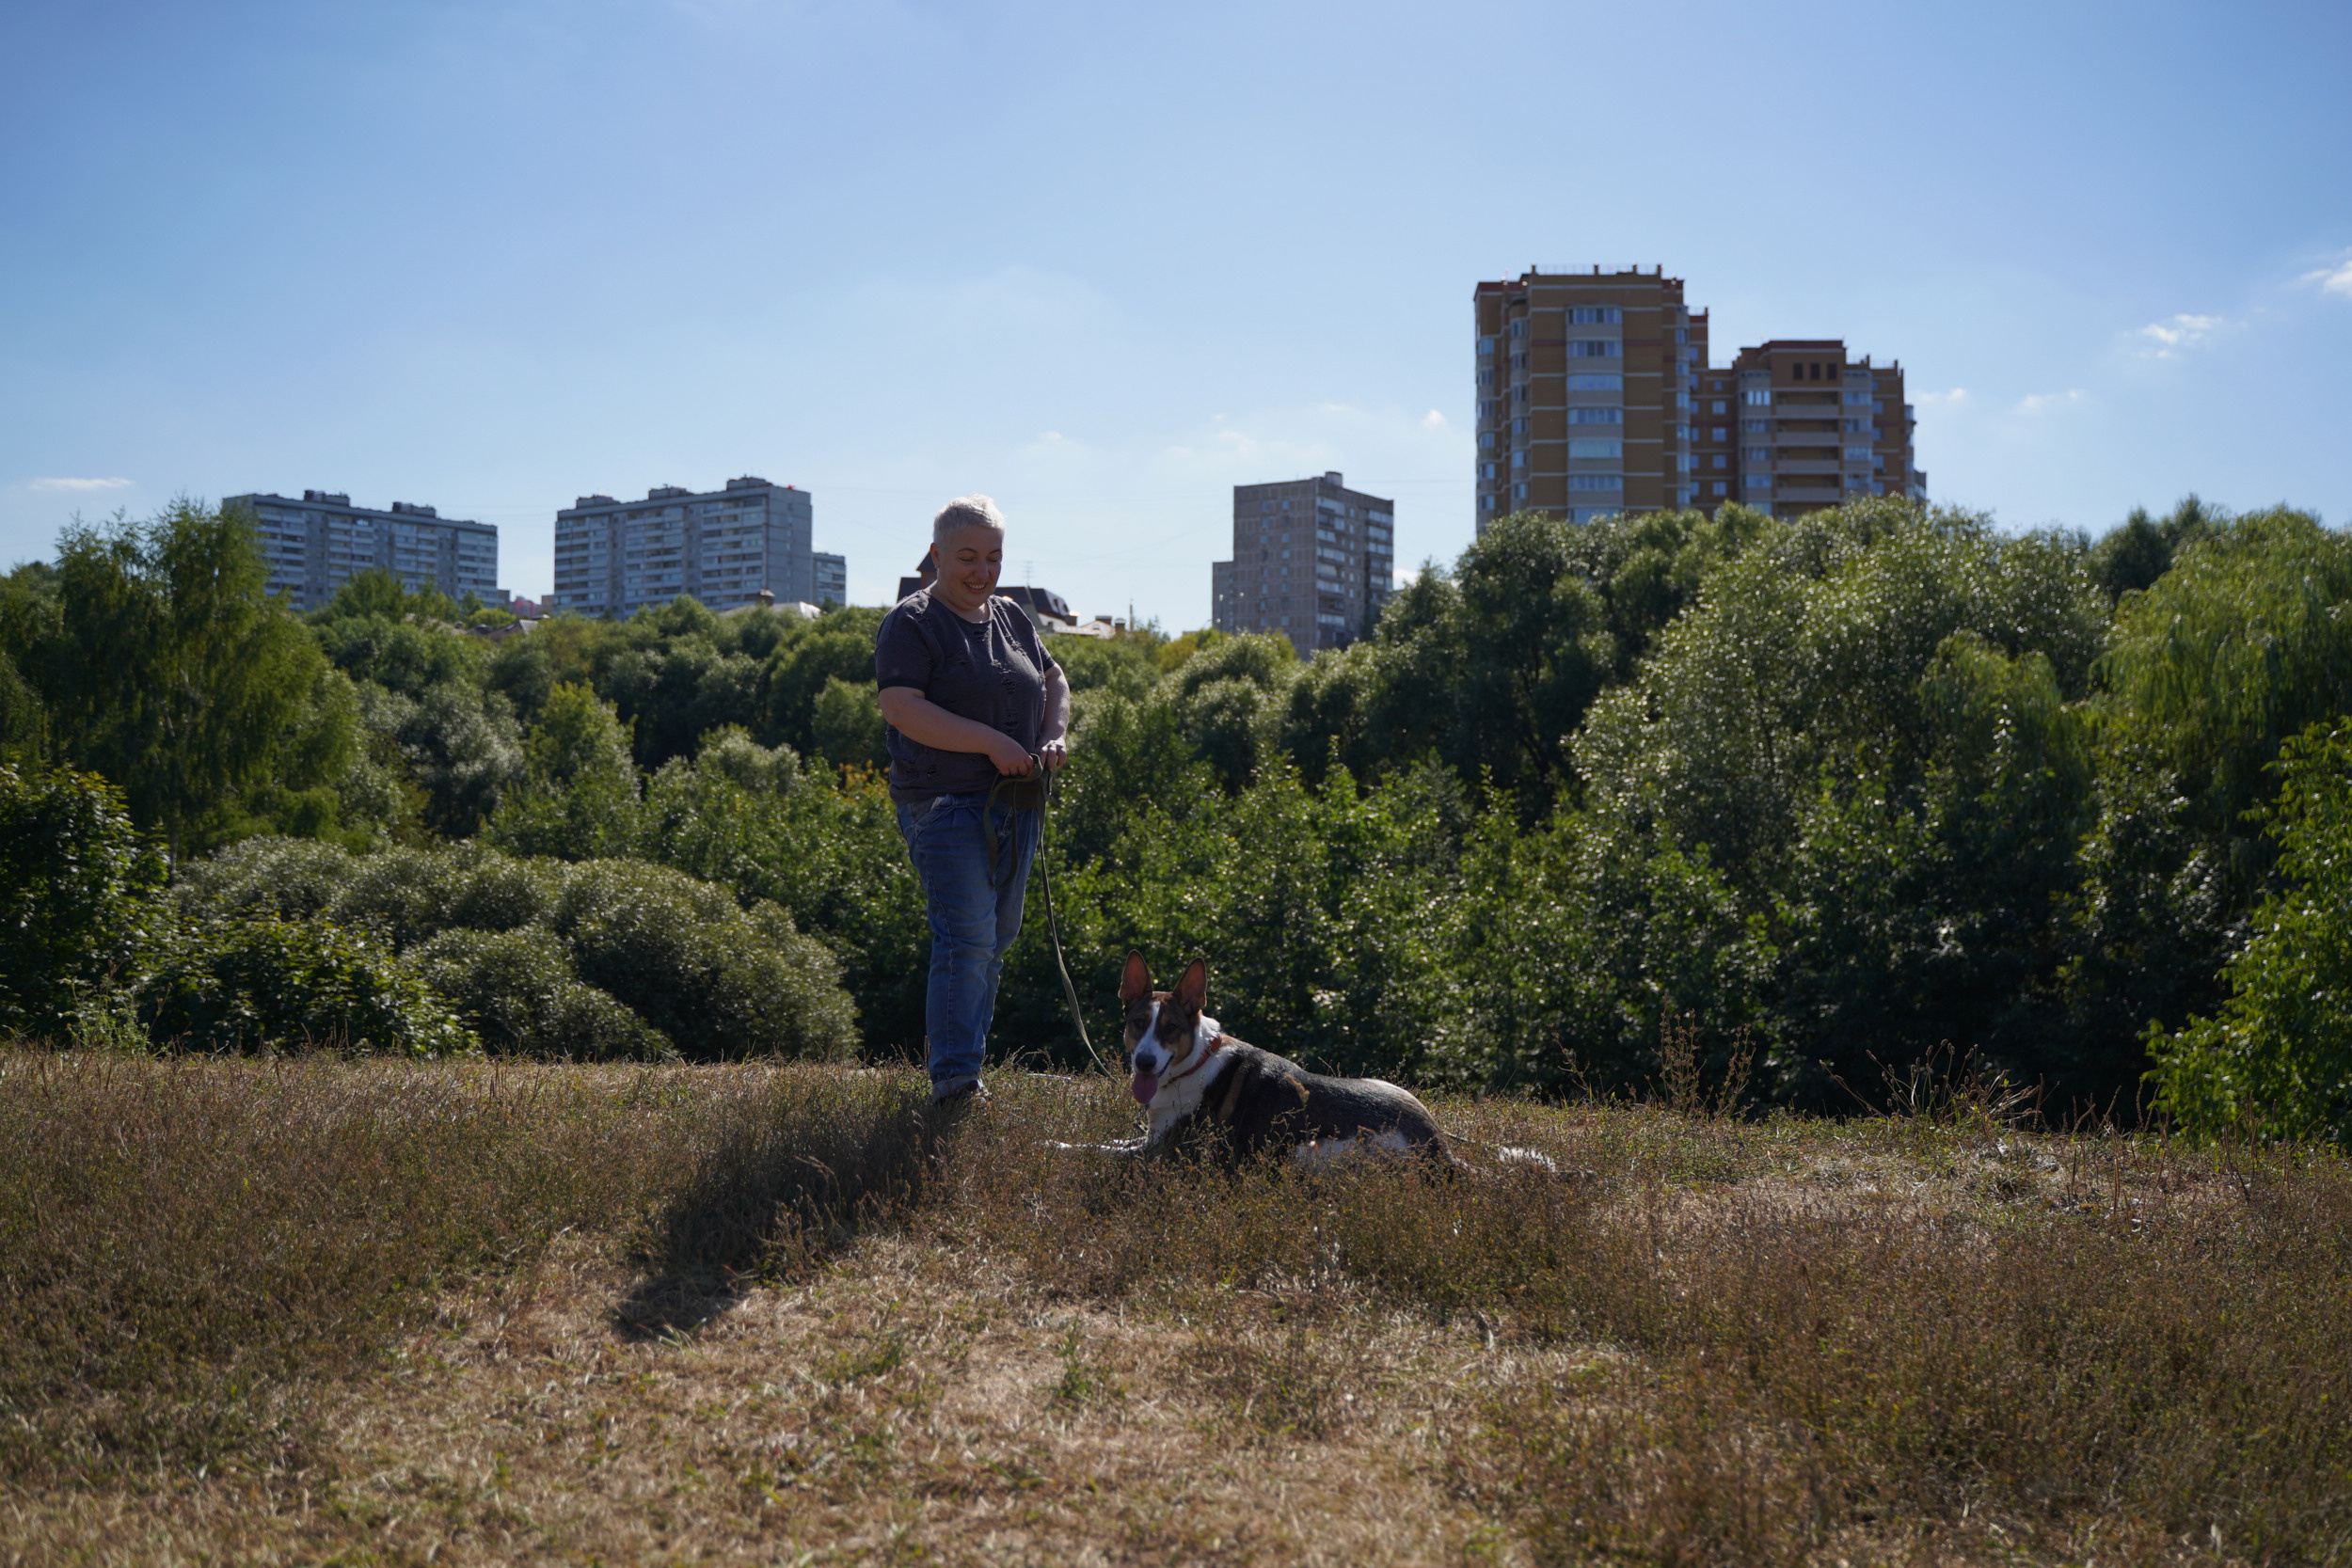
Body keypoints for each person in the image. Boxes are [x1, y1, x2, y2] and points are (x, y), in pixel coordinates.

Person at [874, 495, 1070, 1107]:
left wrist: (1053, 733)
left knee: (997, 935)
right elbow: (901, 707)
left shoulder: (1011, 615)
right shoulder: (911, 622)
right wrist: (989, 741)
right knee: (967, 938)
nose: (982, 571)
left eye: (993, 557)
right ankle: (955, 1083)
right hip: (944, 805)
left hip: (1017, 802)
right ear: (936, 556)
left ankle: (966, 1070)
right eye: (967, 557)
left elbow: (1055, 678)